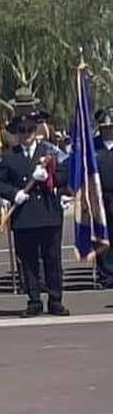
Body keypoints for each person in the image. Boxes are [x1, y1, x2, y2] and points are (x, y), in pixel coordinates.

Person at [0, 97, 70, 317]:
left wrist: (50, 176)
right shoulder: (10, 157)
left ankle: (55, 300)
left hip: (48, 213)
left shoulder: (50, 152)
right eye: (22, 130)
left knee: (52, 259)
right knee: (28, 260)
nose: (26, 134)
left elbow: (64, 176)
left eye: (29, 129)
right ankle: (34, 300)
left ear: (35, 130)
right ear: (17, 132)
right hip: (24, 215)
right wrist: (13, 193)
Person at [94, 108, 113, 288]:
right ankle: (106, 275)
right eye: (105, 127)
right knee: (102, 237)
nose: (108, 130)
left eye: (110, 126)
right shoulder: (93, 146)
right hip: (99, 197)